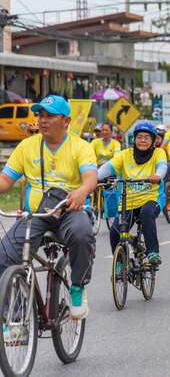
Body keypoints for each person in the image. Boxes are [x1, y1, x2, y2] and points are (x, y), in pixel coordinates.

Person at [0, 95, 96, 320]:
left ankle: (78, 287)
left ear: (66, 121)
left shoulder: (80, 147)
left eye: (50, 116)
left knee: (82, 235)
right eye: (40, 115)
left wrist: (82, 192)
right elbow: (5, 180)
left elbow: (90, 177)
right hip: (37, 215)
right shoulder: (27, 146)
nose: (43, 120)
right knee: (5, 253)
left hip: (70, 211)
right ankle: (17, 315)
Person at [98, 122, 167, 267]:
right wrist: (93, 177)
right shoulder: (125, 155)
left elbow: (162, 166)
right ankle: (120, 264)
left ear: (153, 141)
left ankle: (153, 252)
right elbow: (108, 167)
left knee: (146, 213)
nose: (142, 140)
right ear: (134, 139)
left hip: (151, 198)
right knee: (115, 231)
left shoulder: (158, 153)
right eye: (139, 137)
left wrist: (158, 176)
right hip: (128, 202)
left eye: (147, 137)